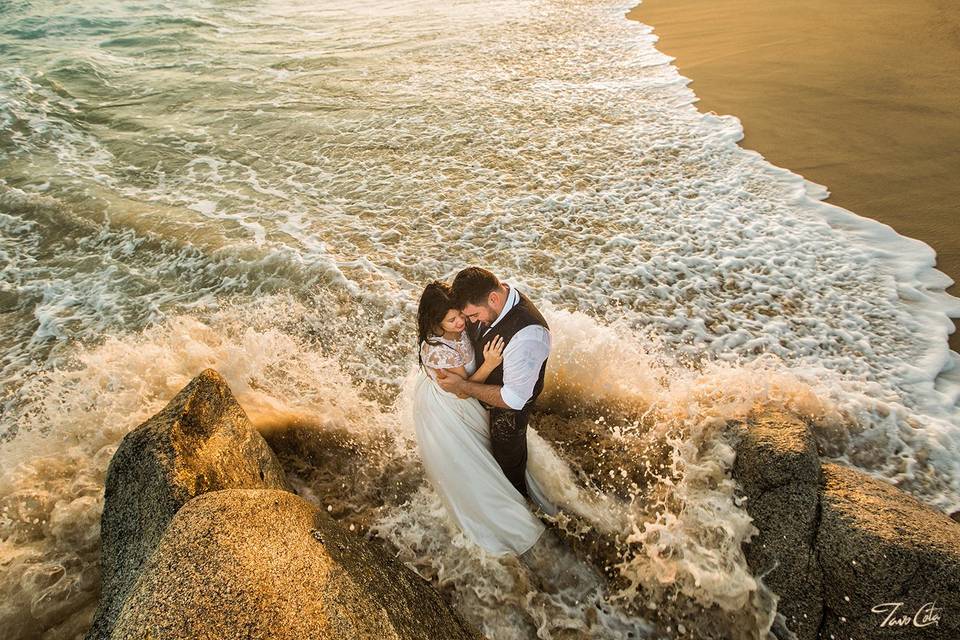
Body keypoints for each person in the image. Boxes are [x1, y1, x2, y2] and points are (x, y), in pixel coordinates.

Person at [412, 280, 558, 557]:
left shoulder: (469, 325)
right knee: (476, 463)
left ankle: (519, 489)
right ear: (437, 321)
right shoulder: (439, 350)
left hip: (471, 400)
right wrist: (490, 364)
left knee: (499, 450)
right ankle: (507, 515)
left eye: (464, 316)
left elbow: (497, 393)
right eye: (453, 319)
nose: (462, 323)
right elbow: (462, 389)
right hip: (451, 407)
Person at [436, 267, 550, 500]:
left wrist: (463, 386)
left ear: (493, 299)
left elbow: (513, 399)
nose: (469, 322)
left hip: (507, 412)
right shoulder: (486, 299)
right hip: (477, 396)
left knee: (507, 466)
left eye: (474, 316)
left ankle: (520, 508)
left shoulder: (529, 336)